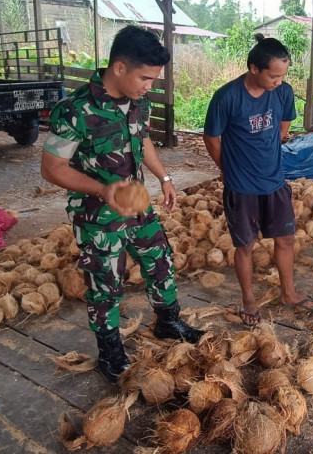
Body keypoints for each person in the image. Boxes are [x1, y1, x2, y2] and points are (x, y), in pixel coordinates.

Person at [41, 25, 204, 383]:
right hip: (97, 216)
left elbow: (142, 140)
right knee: (105, 283)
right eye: (145, 78)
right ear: (119, 68)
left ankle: (168, 322)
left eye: (153, 80)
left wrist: (165, 178)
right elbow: (52, 169)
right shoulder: (75, 110)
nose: (149, 86)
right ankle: (111, 351)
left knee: (159, 260)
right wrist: (103, 191)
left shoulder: (138, 102)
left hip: (137, 204)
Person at [203, 36, 313, 326]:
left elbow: (284, 126)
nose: (279, 81)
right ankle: (248, 299)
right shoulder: (227, 97)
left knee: (285, 239)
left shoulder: (283, 93)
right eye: (274, 75)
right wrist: (226, 167)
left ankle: (289, 292)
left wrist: (270, 150)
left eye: (283, 75)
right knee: (245, 246)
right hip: (241, 186)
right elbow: (211, 138)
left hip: (274, 181)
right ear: (254, 69)